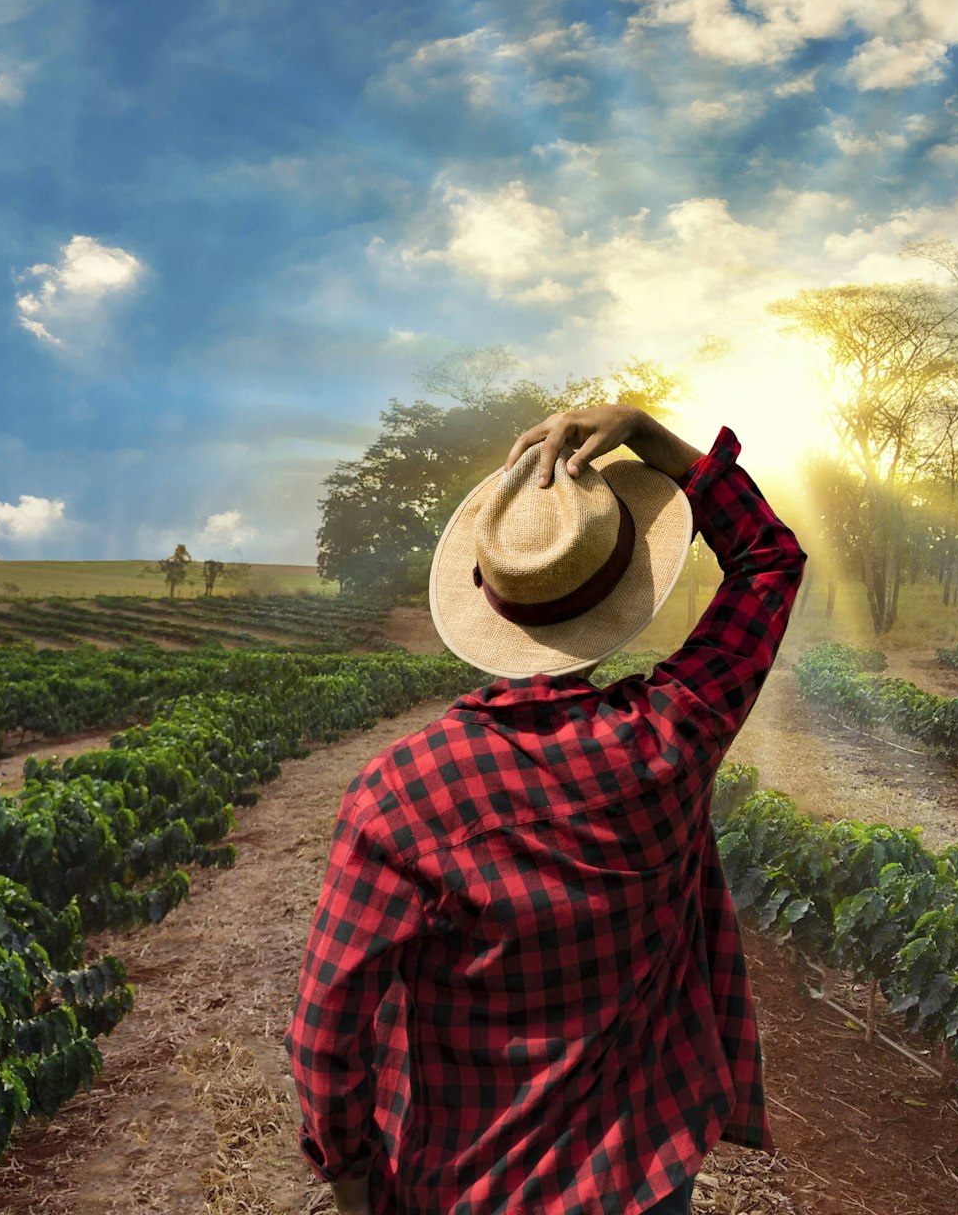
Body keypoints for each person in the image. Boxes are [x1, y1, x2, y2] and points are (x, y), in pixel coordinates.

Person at [284, 404, 806, 1215]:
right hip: (644, 1167)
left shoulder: (400, 796)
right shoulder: (670, 739)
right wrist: (647, 432)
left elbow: (326, 1034)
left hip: (474, 1185)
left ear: (486, 596)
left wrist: (352, 1182)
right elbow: (769, 560)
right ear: (627, 589)